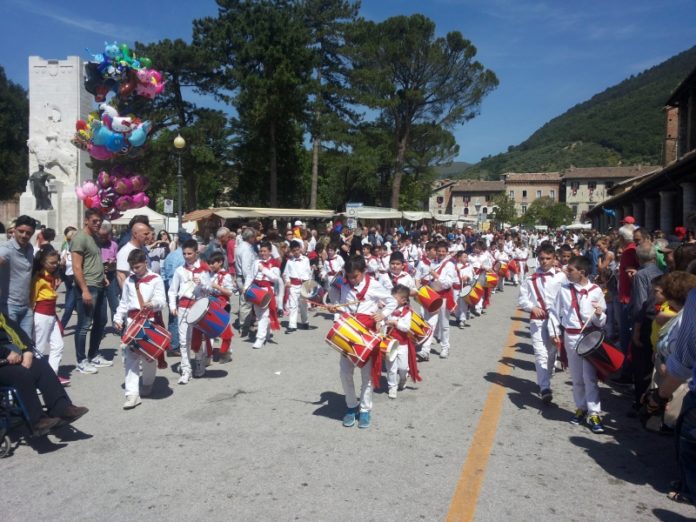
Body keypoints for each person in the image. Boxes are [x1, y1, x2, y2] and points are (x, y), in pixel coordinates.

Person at [326, 256, 396, 429]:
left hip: (366, 334)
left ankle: (365, 409)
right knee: (345, 372)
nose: (352, 279)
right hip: (349, 332)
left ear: (363, 271)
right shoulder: (343, 284)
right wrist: (335, 308)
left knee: (367, 375)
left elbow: (392, 300)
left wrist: (383, 314)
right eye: (349, 276)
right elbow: (342, 305)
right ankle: (351, 406)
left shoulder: (373, 284)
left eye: (355, 276)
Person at [0, 313, 88, 436]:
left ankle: (62, 408)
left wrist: (27, 351)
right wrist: (5, 353)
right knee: (21, 374)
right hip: (3, 360)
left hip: (10, 356)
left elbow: (18, 331)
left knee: (41, 366)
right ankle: (37, 421)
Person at [549, 255, 607, 433]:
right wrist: (554, 332)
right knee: (576, 377)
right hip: (570, 336)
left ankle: (594, 412)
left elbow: (602, 322)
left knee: (590, 377)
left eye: (570, 270)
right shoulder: (564, 289)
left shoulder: (596, 290)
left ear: (581, 272)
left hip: (589, 337)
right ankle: (581, 408)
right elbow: (554, 311)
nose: (566, 272)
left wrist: (599, 314)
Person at [113, 249, 167, 410]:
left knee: (149, 357)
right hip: (132, 322)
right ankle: (132, 394)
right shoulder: (129, 281)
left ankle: (148, 383)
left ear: (145, 263)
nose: (134, 270)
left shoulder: (156, 279)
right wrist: (117, 318)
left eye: (137, 267)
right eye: (132, 267)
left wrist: (154, 303)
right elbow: (124, 302)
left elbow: (162, 301)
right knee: (130, 357)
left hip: (149, 320)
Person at [518, 243, 565, 404]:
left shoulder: (561, 276)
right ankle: (544, 387)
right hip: (537, 320)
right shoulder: (530, 278)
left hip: (555, 321)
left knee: (552, 352)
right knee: (540, 353)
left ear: (554, 259)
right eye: (541, 258)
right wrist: (532, 307)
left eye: (548, 258)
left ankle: (547, 375)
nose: (544, 261)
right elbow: (522, 299)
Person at [72, 209, 111, 374]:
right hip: (88, 286)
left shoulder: (94, 238)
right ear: (86, 220)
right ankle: (81, 360)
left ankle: (93, 354)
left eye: (99, 221)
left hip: (99, 285)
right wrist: (84, 290)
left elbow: (94, 260)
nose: (97, 224)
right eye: (94, 221)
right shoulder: (80, 238)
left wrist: (103, 275)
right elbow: (76, 266)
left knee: (101, 321)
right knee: (84, 325)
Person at [168, 239, 211, 384]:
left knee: (197, 338)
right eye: (184, 253)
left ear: (196, 253)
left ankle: (199, 362)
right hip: (183, 307)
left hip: (198, 308)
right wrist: (172, 306)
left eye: (189, 253)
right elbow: (172, 290)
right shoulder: (179, 270)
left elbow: (210, 289)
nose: (186, 256)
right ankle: (186, 369)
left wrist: (202, 283)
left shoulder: (204, 269)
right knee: (183, 340)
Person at [31, 249, 68, 386]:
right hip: (41, 315)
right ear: (42, 262)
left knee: (58, 345)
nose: (55, 265)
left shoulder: (52, 276)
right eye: (51, 262)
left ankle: (51, 377)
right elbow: (32, 299)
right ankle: (36, 380)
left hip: (51, 314)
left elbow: (50, 294)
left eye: (56, 262)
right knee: (39, 349)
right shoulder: (38, 278)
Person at [0, 215, 38, 338]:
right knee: (13, 349)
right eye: (21, 231)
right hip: (9, 307)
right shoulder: (7, 249)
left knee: (27, 346)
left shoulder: (30, 248)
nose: (24, 235)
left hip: (26, 307)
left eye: (28, 233)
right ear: (14, 230)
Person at [384, 284, 421, 399]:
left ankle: (403, 378)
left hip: (402, 344)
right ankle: (392, 387)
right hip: (389, 343)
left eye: (394, 298)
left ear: (403, 300)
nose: (392, 301)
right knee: (391, 368)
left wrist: (396, 323)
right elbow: (382, 321)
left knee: (403, 367)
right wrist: (383, 323)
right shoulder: (387, 309)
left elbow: (406, 328)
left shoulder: (407, 312)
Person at [249, 242, 281, 349]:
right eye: (261, 251)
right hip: (256, 289)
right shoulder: (256, 262)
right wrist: (246, 287)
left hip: (267, 290)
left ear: (270, 252)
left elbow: (275, 278)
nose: (262, 253)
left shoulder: (274, 263)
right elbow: (250, 275)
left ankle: (260, 338)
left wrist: (264, 270)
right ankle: (266, 329)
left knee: (263, 314)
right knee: (259, 314)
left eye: (265, 251)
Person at [209, 251, 235, 359]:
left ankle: (226, 351)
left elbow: (229, 292)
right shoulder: (211, 274)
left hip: (223, 304)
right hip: (211, 302)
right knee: (209, 328)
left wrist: (217, 287)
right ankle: (208, 353)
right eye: (210, 263)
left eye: (213, 263)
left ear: (220, 262)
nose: (211, 265)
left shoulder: (227, 276)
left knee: (224, 328)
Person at [283, 240, 312, 333]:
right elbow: (285, 273)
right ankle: (292, 325)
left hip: (303, 284)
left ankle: (305, 322)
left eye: (297, 249)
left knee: (304, 305)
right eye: (294, 250)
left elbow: (308, 273)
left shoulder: (306, 260)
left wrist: (309, 285)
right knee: (293, 305)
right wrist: (287, 281)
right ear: (291, 251)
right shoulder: (289, 262)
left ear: (300, 249)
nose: (296, 252)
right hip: (293, 285)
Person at [235, 227, 259, 338]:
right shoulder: (247, 249)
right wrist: (248, 283)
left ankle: (246, 324)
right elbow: (246, 268)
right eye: (254, 236)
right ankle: (244, 327)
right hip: (245, 278)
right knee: (246, 303)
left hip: (242, 277)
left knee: (246, 302)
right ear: (251, 237)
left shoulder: (241, 246)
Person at [116, 222, 150, 289]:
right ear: (135, 234)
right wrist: (127, 296)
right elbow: (121, 276)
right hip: (134, 293)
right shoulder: (125, 251)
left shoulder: (142, 248)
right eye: (145, 234)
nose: (148, 237)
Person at [98, 221, 119, 320]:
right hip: (98, 277)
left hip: (111, 275)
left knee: (114, 303)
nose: (104, 238)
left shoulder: (114, 245)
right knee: (101, 304)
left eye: (106, 235)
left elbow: (117, 259)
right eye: (102, 236)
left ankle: (117, 325)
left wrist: (112, 263)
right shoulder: (96, 245)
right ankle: (101, 326)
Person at [60, 227, 77, 328]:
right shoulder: (66, 251)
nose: (71, 242)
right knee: (70, 306)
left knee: (73, 305)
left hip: (79, 280)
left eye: (73, 239)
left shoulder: (81, 251)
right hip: (69, 280)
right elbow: (61, 266)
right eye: (69, 240)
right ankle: (61, 327)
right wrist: (62, 263)